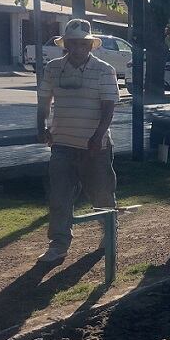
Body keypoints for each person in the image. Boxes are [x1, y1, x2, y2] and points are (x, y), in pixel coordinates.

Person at [36, 18, 119, 264]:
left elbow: (108, 107)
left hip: (96, 146)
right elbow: (44, 100)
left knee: (102, 194)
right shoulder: (53, 68)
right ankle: (59, 243)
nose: (78, 47)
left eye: (83, 43)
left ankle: (109, 235)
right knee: (59, 196)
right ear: (67, 44)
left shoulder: (105, 70)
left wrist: (97, 137)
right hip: (61, 143)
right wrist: (40, 125)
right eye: (73, 43)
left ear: (90, 45)